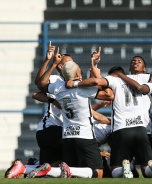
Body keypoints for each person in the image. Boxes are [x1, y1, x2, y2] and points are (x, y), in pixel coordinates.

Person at [36, 47, 114, 178]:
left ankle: (48, 170)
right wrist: (97, 74)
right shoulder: (82, 88)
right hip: (84, 135)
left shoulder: (58, 87)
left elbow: (41, 83)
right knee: (98, 172)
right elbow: (109, 94)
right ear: (77, 74)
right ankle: (49, 169)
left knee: (71, 171)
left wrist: (52, 62)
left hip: (67, 136)